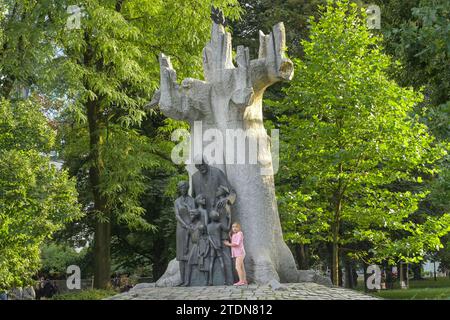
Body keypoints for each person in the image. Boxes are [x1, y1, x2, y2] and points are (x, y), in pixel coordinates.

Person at [174, 181, 195, 285]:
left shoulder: (192, 200)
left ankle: (188, 280)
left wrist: (189, 225)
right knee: (181, 256)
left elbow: (194, 214)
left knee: (189, 255)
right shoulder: (177, 201)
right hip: (181, 229)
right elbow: (177, 215)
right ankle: (182, 280)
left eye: (184, 188)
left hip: (190, 228)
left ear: (187, 188)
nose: (182, 190)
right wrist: (184, 224)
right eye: (181, 188)